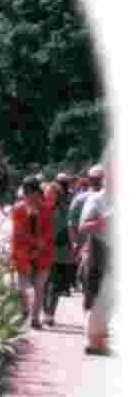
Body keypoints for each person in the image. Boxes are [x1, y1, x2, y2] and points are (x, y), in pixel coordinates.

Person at [78, 152, 113, 355]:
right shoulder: (96, 200)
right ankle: (94, 341)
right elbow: (82, 226)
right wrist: (102, 222)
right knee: (97, 295)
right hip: (100, 251)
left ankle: (99, 337)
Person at [10, 175, 55, 329]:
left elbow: (49, 231)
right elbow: (18, 231)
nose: (29, 197)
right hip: (23, 253)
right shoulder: (18, 208)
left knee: (39, 287)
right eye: (26, 193)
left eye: (31, 193)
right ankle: (24, 312)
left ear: (37, 193)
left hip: (43, 254)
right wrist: (35, 243)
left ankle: (35, 319)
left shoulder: (46, 209)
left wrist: (42, 243)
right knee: (22, 287)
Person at [42, 172, 77, 325]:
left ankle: (48, 313)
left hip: (55, 247)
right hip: (58, 247)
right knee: (52, 282)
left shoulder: (64, 202)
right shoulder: (66, 202)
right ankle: (48, 313)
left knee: (49, 281)